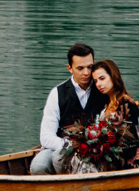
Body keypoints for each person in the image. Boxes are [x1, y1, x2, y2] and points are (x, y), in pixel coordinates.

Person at [30, 43, 107, 175]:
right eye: (80, 68)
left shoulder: (103, 88)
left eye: (90, 67)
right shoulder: (57, 93)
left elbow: (130, 114)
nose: (86, 73)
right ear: (69, 68)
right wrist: (70, 146)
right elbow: (46, 137)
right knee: (38, 167)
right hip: (60, 146)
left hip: (97, 148)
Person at [63, 59, 139, 174]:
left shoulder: (127, 105)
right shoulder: (104, 105)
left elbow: (137, 138)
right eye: (95, 81)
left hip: (126, 166)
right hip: (104, 161)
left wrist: (103, 150)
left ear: (113, 76)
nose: (99, 84)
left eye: (102, 79)